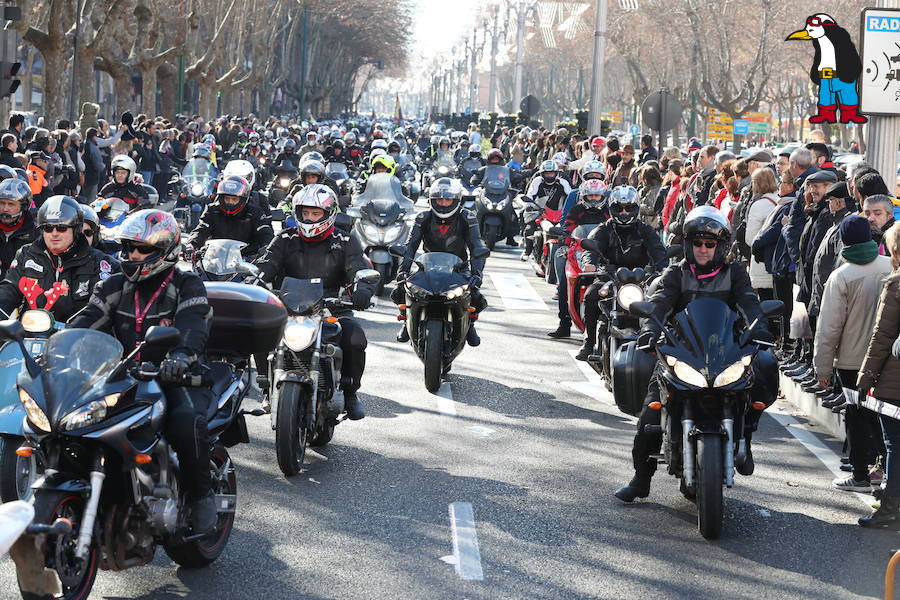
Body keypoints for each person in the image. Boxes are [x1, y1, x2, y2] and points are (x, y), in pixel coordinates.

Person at [69, 209, 217, 534]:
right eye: (129, 248)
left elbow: (193, 327)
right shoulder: (114, 286)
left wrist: (180, 356)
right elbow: (86, 320)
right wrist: (58, 345)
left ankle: (202, 496)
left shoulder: (186, 284)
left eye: (142, 249)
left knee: (185, 422)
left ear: (165, 250)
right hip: (123, 376)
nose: (133, 255)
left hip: (179, 376)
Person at [615, 206, 773, 502]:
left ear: (720, 246)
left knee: (759, 379)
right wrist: (650, 329)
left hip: (726, 351)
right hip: (682, 351)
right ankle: (640, 478)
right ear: (688, 245)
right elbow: (660, 302)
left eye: (709, 244)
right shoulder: (676, 274)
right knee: (650, 414)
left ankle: (745, 438)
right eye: (697, 243)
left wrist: (760, 326)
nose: (702, 249)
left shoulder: (735, 273)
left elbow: (750, 302)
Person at [256, 184, 374, 421]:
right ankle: (267, 387)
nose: (309, 218)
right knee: (260, 330)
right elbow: (266, 264)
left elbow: (357, 268)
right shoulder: (285, 238)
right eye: (305, 213)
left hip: (331, 307)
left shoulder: (344, 240)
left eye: (316, 214)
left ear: (329, 214)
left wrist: (362, 289)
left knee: (355, 337)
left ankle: (350, 393)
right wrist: (254, 279)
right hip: (288, 306)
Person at [814, 216, 891, 494]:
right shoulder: (890, 266)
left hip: (850, 361)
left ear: (844, 242)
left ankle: (860, 474)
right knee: (886, 417)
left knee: (856, 417)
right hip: (886, 359)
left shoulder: (842, 276)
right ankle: (884, 471)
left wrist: (822, 369)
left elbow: (828, 328)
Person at [393, 178, 488, 347]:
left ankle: (471, 324)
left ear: (456, 200)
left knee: (476, 296)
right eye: (439, 199)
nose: (443, 203)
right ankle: (406, 321)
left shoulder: (468, 217)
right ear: (432, 200)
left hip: (458, 268)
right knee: (400, 289)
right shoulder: (423, 217)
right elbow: (410, 245)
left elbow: (477, 246)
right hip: (428, 266)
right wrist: (403, 270)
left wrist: (476, 274)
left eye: (448, 199)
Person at [575, 186, 667, 360]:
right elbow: (591, 249)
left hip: (642, 279)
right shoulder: (604, 229)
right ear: (611, 209)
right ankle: (589, 342)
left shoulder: (646, 230)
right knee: (592, 294)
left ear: (636, 208)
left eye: (628, 208)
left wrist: (663, 268)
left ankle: (660, 342)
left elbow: (658, 250)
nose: (624, 212)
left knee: (661, 299)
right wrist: (589, 264)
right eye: (619, 208)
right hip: (610, 277)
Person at [0, 195, 117, 322]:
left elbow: (98, 307)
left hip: (76, 337)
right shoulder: (26, 254)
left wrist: (70, 329)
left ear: (76, 229)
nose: (54, 233)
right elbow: (9, 290)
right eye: (48, 228)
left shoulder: (99, 262)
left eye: (61, 228)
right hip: (29, 335)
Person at [857, 222, 900, 528]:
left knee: (895, 444)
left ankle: (890, 508)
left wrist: (865, 379)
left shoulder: (896, 284)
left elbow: (881, 337)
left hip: (894, 380)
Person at [548, 179, 609, 339]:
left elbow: (614, 230)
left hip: (603, 252)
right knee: (564, 282)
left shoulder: (608, 211)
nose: (594, 199)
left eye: (597, 195)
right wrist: (566, 237)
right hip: (579, 250)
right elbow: (568, 227)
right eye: (590, 196)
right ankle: (564, 324)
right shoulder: (576, 210)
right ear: (584, 196)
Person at [188, 175, 273, 260]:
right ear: (221, 198)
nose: (230, 202)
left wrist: (266, 248)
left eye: (234, 199)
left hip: (246, 261)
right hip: (215, 259)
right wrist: (192, 244)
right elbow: (202, 230)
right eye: (227, 199)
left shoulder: (255, 213)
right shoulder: (212, 210)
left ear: (243, 199)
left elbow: (265, 233)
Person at [0, 178, 37, 278]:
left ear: (24, 206)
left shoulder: (36, 235)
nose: (5, 209)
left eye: (11, 204)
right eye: (2, 203)